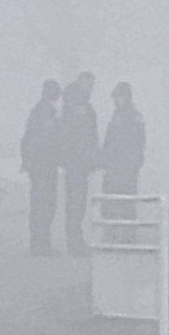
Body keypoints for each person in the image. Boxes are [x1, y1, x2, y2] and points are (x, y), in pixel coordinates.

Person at [58, 69, 101, 254]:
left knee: (79, 201)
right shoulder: (75, 104)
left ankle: (76, 240)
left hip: (81, 161)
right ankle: (74, 243)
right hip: (76, 160)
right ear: (82, 82)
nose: (91, 89)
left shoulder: (81, 104)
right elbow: (73, 134)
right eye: (89, 84)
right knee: (75, 201)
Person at [21, 79, 64, 254]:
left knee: (39, 204)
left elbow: (26, 140)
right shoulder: (46, 114)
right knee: (45, 205)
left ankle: (38, 243)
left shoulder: (37, 112)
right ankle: (42, 244)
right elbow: (48, 141)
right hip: (45, 166)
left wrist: (26, 162)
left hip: (37, 166)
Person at [97, 80, 148, 197]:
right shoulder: (117, 116)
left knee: (125, 200)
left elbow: (138, 143)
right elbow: (109, 140)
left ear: (126, 97)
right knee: (111, 200)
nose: (115, 100)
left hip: (126, 168)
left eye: (118, 97)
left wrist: (133, 162)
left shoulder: (133, 118)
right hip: (114, 167)